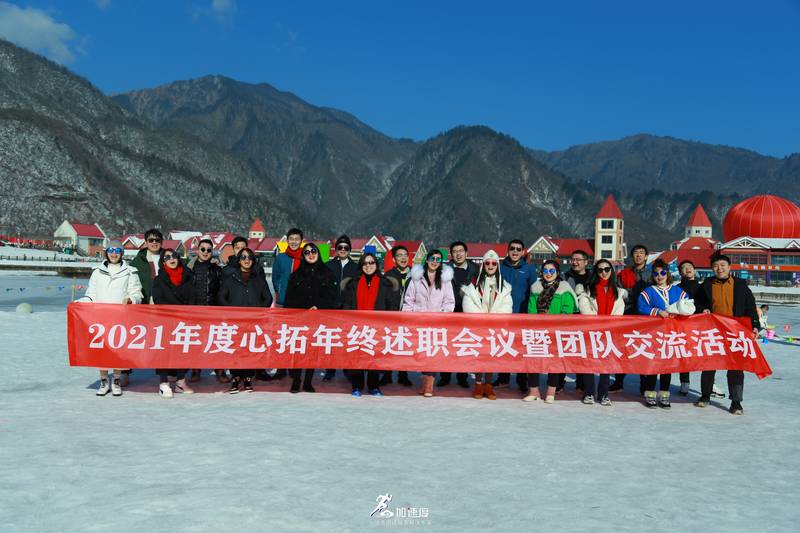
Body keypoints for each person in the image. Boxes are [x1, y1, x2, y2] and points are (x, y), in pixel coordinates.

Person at [693, 254, 758, 415]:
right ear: (712, 268)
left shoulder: (741, 285)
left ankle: (736, 402)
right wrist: (702, 309)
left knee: (736, 368)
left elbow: (751, 307)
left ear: (729, 267)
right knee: (709, 365)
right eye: (716, 265)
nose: (719, 268)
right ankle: (705, 396)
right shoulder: (707, 284)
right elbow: (696, 303)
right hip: (713, 331)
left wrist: (755, 325)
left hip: (735, 332)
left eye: (722, 265)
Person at [79, 240, 143, 397]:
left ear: (122, 253)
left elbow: (137, 293)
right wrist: (80, 303)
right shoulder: (97, 272)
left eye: (117, 251)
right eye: (111, 250)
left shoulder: (130, 271)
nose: (114, 254)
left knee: (117, 351)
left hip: (120, 318)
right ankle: (103, 380)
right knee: (102, 350)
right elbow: (91, 294)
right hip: (100, 317)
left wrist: (131, 299)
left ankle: (116, 379)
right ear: (106, 252)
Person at [637, 258, 694, 409]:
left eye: (663, 272)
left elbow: (689, 306)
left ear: (667, 274)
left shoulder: (677, 291)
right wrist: (657, 312)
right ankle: (649, 393)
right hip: (654, 334)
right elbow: (641, 307)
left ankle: (664, 393)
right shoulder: (648, 291)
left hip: (672, 334)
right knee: (653, 364)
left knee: (667, 365)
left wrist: (680, 312)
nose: (659, 276)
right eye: (656, 273)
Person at [341, 253, 399, 397]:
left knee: (375, 358)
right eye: (365, 263)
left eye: (371, 262)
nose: (368, 266)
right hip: (357, 326)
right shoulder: (353, 283)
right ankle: (357, 386)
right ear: (361, 266)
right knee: (357, 357)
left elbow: (391, 305)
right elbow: (347, 304)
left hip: (377, 327)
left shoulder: (385, 283)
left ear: (376, 264)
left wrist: (388, 322)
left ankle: (374, 386)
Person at [284, 242, 338, 393]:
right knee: (297, 349)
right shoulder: (296, 275)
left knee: (312, 351)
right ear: (303, 256)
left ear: (318, 253)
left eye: (313, 251)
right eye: (307, 252)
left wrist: (318, 306)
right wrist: (304, 308)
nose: (311, 254)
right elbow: (289, 299)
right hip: (299, 318)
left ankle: (308, 381)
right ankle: (296, 380)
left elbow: (332, 297)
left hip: (318, 318)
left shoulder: (327, 273)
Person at [218, 248, 273, 393]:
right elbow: (221, 297)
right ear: (239, 260)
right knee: (236, 349)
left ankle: (248, 377)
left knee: (250, 349)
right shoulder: (231, 278)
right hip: (235, 321)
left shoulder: (258, 279)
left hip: (253, 322)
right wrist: (231, 310)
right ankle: (236, 377)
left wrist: (259, 310)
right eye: (243, 257)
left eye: (249, 257)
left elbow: (268, 298)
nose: (246, 260)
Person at [403, 249, 455, 397]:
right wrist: (409, 318)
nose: (435, 261)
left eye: (438, 259)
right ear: (427, 260)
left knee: (433, 353)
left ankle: (429, 386)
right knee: (422, 353)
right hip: (419, 322)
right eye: (432, 258)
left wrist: (443, 317)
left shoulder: (445, 280)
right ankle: (424, 383)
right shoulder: (416, 279)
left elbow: (449, 302)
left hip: (437, 323)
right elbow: (409, 300)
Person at [461, 250, 513, 400]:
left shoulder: (504, 286)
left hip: (495, 328)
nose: (490, 266)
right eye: (487, 263)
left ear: (497, 265)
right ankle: (478, 383)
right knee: (479, 356)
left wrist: (494, 321)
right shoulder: (474, 283)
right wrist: (481, 320)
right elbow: (468, 303)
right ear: (483, 265)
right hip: (478, 327)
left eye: (493, 263)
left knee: (491, 357)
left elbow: (507, 306)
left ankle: (488, 384)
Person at [575, 259, 626, 406]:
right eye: (600, 270)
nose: (604, 272)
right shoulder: (588, 289)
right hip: (591, 330)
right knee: (589, 363)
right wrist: (597, 324)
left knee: (606, 363)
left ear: (611, 271)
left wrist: (610, 325)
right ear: (596, 272)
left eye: (607, 269)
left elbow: (619, 312)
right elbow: (585, 310)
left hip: (609, 332)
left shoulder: (617, 291)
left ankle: (603, 394)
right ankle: (589, 392)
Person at [526, 259, 577, 403]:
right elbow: (531, 309)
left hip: (556, 331)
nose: (548, 274)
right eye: (545, 271)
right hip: (538, 330)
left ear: (557, 272)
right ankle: (534, 390)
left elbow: (567, 309)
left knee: (554, 362)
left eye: (551, 271)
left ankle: (550, 391)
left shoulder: (564, 288)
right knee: (533, 360)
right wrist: (537, 321)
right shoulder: (536, 288)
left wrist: (554, 320)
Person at [151, 248, 197, 398]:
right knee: (165, 351)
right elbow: (158, 299)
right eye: (168, 257)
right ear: (163, 262)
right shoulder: (159, 279)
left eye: (174, 256)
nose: (172, 259)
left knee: (182, 350)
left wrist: (186, 312)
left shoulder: (188, 276)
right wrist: (174, 310)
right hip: (166, 319)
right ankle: (163, 382)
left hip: (184, 320)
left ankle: (180, 381)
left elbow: (193, 297)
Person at [494, 239, 537, 393]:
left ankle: (521, 380)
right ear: (508, 250)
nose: (515, 251)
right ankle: (503, 378)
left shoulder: (529, 269)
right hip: (503, 314)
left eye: (518, 249)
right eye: (512, 248)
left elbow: (535, 290)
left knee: (521, 349)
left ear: (523, 251)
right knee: (504, 347)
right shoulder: (500, 267)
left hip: (523, 315)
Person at [609, 244, 650, 393]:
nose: (638, 255)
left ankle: (644, 384)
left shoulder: (651, 274)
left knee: (644, 349)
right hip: (627, 314)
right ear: (632, 256)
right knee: (623, 349)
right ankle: (619, 381)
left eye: (641, 253)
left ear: (646, 256)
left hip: (646, 317)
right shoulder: (625, 273)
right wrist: (633, 295)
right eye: (636, 253)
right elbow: (619, 292)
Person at [126, 228, 163, 386]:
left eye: (157, 240)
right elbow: (129, 283)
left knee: (163, 341)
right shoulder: (137, 261)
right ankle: (125, 372)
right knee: (134, 340)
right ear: (146, 242)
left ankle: (164, 375)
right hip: (142, 306)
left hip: (163, 308)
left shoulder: (168, 257)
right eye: (151, 240)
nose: (154, 243)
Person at [186, 238, 226, 383]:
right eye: (203, 249)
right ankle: (196, 370)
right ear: (197, 250)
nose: (205, 252)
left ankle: (219, 370)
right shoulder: (189, 269)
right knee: (196, 343)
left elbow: (222, 290)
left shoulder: (217, 270)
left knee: (216, 341)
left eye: (209, 250)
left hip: (213, 311)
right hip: (195, 311)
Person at [440, 241, 478, 388]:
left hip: (468, 313)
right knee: (447, 346)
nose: (458, 254)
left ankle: (462, 377)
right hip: (450, 313)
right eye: (455, 251)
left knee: (464, 345)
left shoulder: (475, 269)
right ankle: (445, 376)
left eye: (461, 251)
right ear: (451, 254)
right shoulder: (445, 270)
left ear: (466, 253)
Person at [324, 235, 359, 382]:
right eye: (340, 247)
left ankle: (347, 368)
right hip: (331, 307)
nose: (343, 250)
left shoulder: (355, 267)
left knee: (347, 339)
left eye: (346, 248)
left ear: (349, 250)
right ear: (336, 249)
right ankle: (330, 369)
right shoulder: (328, 265)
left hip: (348, 308)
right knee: (331, 339)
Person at [270, 228, 304, 381]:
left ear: (301, 241)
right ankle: (281, 368)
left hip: (300, 305)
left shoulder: (305, 257)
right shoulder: (281, 258)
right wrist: (280, 290)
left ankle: (295, 367)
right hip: (283, 303)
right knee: (282, 337)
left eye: (297, 239)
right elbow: (275, 277)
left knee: (297, 336)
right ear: (287, 240)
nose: (294, 241)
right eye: (291, 239)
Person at [382, 245, 414, 387]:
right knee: (389, 345)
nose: (403, 258)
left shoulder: (416, 274)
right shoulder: (388, 275)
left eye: (405, 255)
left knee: (405, 346)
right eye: (399, 256)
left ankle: (403, 375)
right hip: (392, 316)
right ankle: (387, 375)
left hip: (409, 316)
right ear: (394, 259)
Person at [563, 249, 592, 394]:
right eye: (572, 259)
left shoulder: (592, 277)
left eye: (578, 259)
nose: (574, 262)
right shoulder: (565, 276)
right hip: (569, 318)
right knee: (564, 350)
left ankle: (581, 382)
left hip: (586, 319)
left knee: (583, 352)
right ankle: (559, 381)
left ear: (586, 262)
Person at [677, 260, 701, 395]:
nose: (688, 269)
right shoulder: (677, 288)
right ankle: (684, 382)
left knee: (705, 353)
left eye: (690, 267)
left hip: (700, 325)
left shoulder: (703, 287)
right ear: (680, 272)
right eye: (684, 268)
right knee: (684, 353)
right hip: (683, 325)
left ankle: (711, 383)